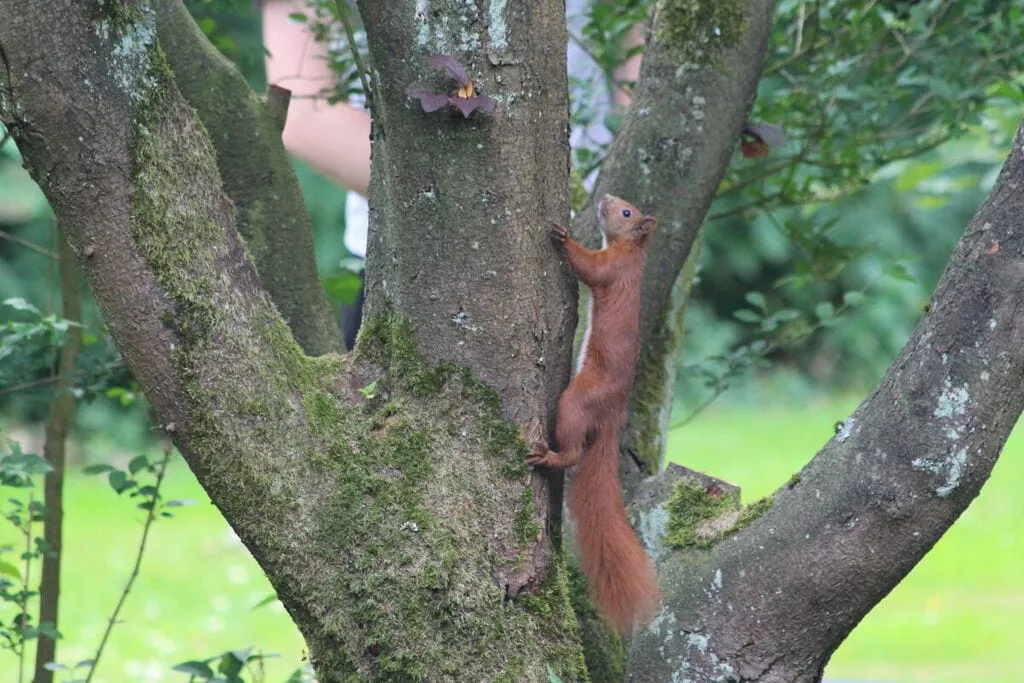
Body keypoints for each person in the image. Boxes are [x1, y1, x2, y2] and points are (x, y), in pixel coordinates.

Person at [262, 0, 642, 348]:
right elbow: (304, 114)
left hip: (586, 255)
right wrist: (467, 200)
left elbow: (641, 64)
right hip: (403, 264)